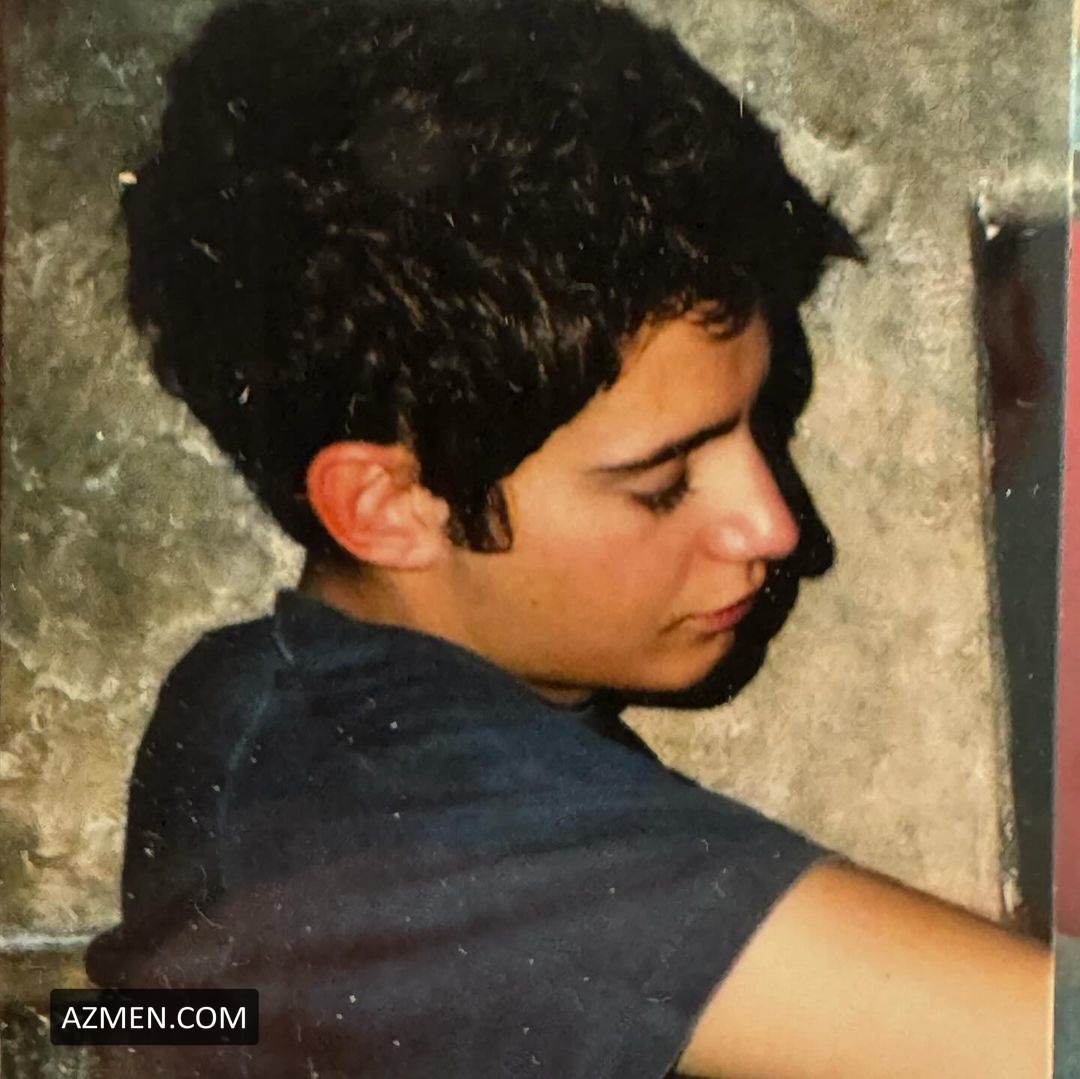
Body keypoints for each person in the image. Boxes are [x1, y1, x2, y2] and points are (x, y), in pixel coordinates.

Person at [85, 0, 1053, 1075]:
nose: (777, 526)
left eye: (762, 420)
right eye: (662, 483)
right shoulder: (394, 813)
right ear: (388, 505)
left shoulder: (263, 710)